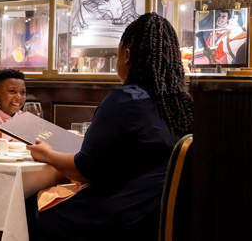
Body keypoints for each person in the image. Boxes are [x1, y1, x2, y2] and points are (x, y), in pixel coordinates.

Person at [27, 13, 194, 241]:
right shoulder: (182, 104)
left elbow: (84, 170)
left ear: (126, 55)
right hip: (162, 217)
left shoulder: (125, 99)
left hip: (120, 218)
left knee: (31, 207)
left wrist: (48, 155)